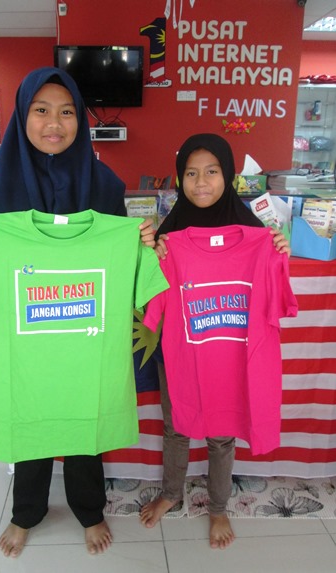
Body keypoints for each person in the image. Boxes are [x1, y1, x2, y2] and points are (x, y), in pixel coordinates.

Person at [0, 67, 157, 558]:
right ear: (22, 116)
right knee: (29, 417)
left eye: (67, 112)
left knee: (86, 419)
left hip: (84, 334)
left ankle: (89, 509)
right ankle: (27, 512)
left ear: (80, 121)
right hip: (27, 339)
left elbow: (122, 261)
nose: (54, 123)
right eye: (41, 110)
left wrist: (143, 241)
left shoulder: (104, 185)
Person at [139, 133, 294, 549]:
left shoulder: (255, 234)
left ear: (228, 175)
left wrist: (279, 253)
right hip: (180, 354)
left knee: (222, 432)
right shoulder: (170, 235)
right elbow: (147, 293)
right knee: (176, 425)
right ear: (179, 178)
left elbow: (276, 294)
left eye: (212, 171)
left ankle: (219, 506)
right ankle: (171, 493)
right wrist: (151, 254)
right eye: (191, 173)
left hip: (230, 357)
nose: (201, 182)